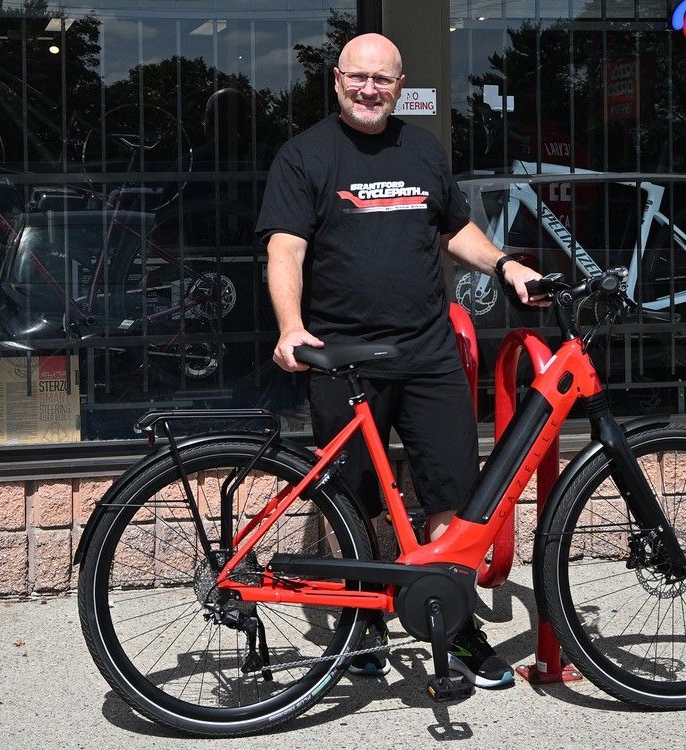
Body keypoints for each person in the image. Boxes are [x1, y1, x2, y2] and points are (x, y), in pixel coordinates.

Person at [255, 33, 543, 689]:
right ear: (336, 79)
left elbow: (455, 229)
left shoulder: (422, 150)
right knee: (351, 498)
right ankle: (363, 621)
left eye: (381, 79)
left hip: (427, 350)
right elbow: (285, 248)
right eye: (358, 77)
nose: (368, 89)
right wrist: (292, 327)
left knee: (453, 492)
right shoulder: (305, 155)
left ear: (399, 84)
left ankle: (452, 623)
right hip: (343, 356)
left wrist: (505, 264)